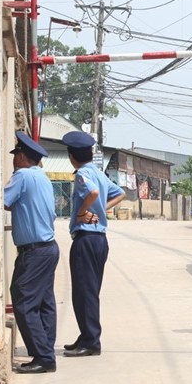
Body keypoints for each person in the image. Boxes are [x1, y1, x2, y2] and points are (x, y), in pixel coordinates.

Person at [61, 131, 125, 357]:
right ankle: (86, 335)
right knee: (90, 290)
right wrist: (100, 210)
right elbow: (121, 194)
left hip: (86, 238)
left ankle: (90, 341)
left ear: (71, 156)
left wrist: (82, 211)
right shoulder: (98, 172)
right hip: (100, 240)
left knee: (83, 292)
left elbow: (93, 192)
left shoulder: (82, 175)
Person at [4, 131, 60, 373]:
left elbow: (3, 201)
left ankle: (44, 357)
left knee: (24, 300)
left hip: (34, 251)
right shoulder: (42, 177)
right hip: (47, 248)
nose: (13, 160)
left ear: (23, 157)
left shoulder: (23, 176)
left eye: (16, 155)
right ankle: (44, 348)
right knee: (44, 301)